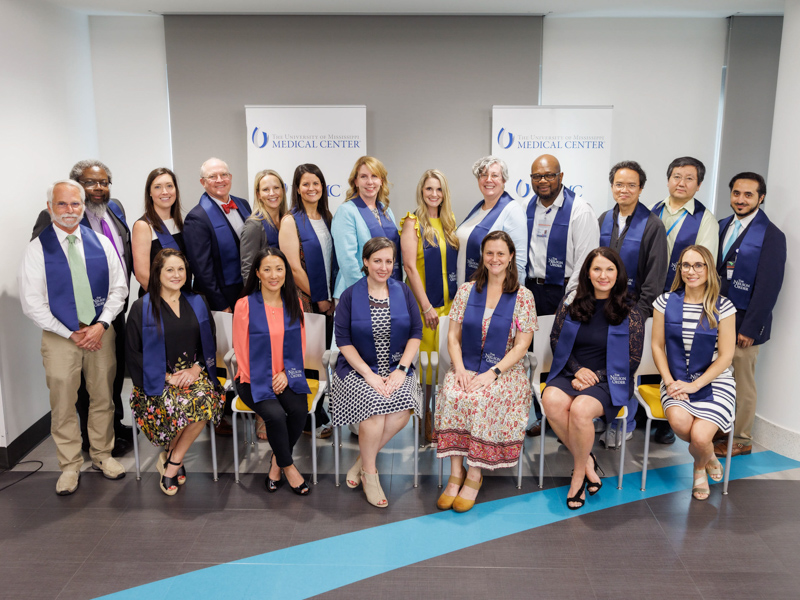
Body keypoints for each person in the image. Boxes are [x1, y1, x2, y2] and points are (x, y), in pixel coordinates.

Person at [19, 180, 128, 495]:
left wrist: (101, 324)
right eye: (62, 204)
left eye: (75, 204)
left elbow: (119, 288)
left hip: (99, 333)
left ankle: (102, 455)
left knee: (103, 398)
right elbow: (31, 302)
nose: (70, 210)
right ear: (50, 207)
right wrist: (71, 332)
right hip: (59, 337)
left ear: (83, 206)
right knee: (64, 402)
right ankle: (69, 466)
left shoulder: (101, 243)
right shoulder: (38, 248)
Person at [435, 231, 537, 513]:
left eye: (501, 253)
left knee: (482, 399)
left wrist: (492, 373)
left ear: (511, 257)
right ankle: (457, 473)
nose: (495, 259)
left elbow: (522, 346)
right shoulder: (467, 291)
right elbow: (453, 338)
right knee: (454, 393)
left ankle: (475, 473)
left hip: (504, 372)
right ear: (483, 256)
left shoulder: (523, 297)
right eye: (489, 253)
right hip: (466, 365)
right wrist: (459, 370)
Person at [540, 248, 644, 509]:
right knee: (550, 400)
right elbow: (556, 339)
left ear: (618, 273)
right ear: (587, 272)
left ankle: (577, 477)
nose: (603, 275)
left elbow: (632, 360)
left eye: (610, 269)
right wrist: (577, 371)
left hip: (611, 379)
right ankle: (587, 461)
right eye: (597, 269)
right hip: (572, 370)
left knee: (581, 409)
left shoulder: (630, 310)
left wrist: (593, 377)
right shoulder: (572, 301)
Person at [332, 237, 423, 508]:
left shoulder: (403, 292)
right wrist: (369, 376)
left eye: (388, 261)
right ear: (365, 262)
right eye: (377, 261)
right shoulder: (350, 296)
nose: (383, 267)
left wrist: (401, 370)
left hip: (397, 368)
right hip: (358, 370)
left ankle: (362, 461)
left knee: (401, 411)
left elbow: (416, 333)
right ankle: (371, 476)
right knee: (373, 410)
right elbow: (343, 341)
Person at [125, 249, 225, 496]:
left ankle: (172, 461)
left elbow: (209, 343)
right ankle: (173, 457)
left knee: (205, 399)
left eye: (181, 269)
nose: (176, 274)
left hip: (193, 374)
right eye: (169, 269)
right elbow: (133, 353)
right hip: (157, 379)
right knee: (181, 403)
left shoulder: (197, 302)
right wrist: (167, 377)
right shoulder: (141, 308)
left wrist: (196, 368)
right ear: (158, 273)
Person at [652, 245, 736, 500]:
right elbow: (657, 346)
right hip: (675, 378)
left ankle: (699, 466)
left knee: (700, 436)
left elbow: (725, 357)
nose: (692, 271)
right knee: (679, 423)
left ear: (709, 269)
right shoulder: (665, 302)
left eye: (699, 265)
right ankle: (708, 455)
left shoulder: (724, 306)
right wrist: (669, 382)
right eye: (686, 265)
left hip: (714, 380)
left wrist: (695, 385)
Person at [713, 172, 786, 458]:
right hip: (717, 319)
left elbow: (769, 286)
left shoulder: (771, 236)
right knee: (719, 378)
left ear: (761, 198)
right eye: (736, 193)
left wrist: (750, 328)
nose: (740, 199)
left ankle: (741, 439)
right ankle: (720, 427)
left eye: (748, 195)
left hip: (745, 324)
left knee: (742, 382)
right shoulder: (721, 226)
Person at [648, 157, 719, 446]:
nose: (681, 182)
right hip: (648, 292)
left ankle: (668, 421)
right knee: (647, 349)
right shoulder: (653, 211)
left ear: (699, 184)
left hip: (681, 296)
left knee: (675, 348)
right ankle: (647, 411)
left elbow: (703, 263)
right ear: (668, 179)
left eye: (689, 178)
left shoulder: (706, 219)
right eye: (677, 176)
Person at [598, 160, 667, 447]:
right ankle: (603, 414)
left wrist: (637, 315)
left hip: (632, 310)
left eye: (631, 185)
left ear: (640, 188)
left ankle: (624, 421)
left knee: (623, 367)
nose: (624, 189)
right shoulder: (604, 217)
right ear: (611, 186)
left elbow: (655, 276)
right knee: (601, 362)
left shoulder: (652, 225)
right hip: (600, 308)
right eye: (619, 184)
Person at [233, 248, 312, 496]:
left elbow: (300, 345)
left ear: (286, 272)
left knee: (299, 410)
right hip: (252, 378)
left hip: (287, 374)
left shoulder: (294, 303)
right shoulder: (244, 305)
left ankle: (275, 463)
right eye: (267, 269)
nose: (273, 275)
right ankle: (288, 467)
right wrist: (268, 377)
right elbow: (241, 351)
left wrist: (287, 374)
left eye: (279, 269)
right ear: (257, 273)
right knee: (276, 416)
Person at [399, 169, 459, 442]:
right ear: (421, 192)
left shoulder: (448, 223)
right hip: (426, 307)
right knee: (426, 369)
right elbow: (410, 267)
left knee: (446, 366)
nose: (434, 194)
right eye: (428, 189)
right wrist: (425, 306)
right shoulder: (413, 222)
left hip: (449, 306)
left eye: (438, 189)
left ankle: (445, 419)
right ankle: (424, 421)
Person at [279, 163, 336, 439]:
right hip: (306, 300)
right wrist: (319, 298)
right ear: (297, 189)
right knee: (305, 359)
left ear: (322, 187)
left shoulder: (327, 216)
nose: (311, 188)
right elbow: (292, 266)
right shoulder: (291, 220)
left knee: (320, 357)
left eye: (316, 183)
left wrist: (332, 296)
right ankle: (306, 418)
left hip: (327, 299)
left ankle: (317, 411)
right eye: (306, 184)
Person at [525, 154, 599, 316]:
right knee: (528, 341)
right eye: (537, 176)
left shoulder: (580, 210)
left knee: (557, 341)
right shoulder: (526, 207)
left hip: (563, 292)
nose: (543, 181)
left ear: (561, 176)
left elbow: (586, 259)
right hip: (529, 290)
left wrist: (572, 296)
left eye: (549, 175)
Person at [184, 157, 253, 313]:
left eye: (224, 175)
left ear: (230, 177)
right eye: (212, 176)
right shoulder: (196, 218)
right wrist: (220, 304)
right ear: (203, 182)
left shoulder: (243, 204)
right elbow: (202, 269)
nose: (220, 180)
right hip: (224, 297)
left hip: (249, 290)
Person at [332, 156, 402, 299]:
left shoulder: (386, 211)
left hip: (385, 290)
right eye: (364, 176)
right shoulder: (346, 211)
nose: (370, 182)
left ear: (381, 181)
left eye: (374, 176)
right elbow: (348, 260)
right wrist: (364, 293)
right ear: (356, 181)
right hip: (355, 292)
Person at [456, 156, 526, 286]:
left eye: (495, 175)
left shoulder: (512, 210)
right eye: (483, 175)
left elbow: (519, 263)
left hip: (493, 294)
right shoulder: (478, 208)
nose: (488, 180)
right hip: (464, 290)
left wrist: (507, 297)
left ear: (504, 180)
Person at [132, 167, 192, 296]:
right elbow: (142, 275)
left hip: (182, 297)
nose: (165, 192)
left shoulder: (180, 223)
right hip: (158, 300)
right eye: (158, 187)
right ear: (149, 192)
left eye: (169, 186)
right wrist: (167, 301)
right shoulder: (143, 226)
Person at [240, 169, 287, 282]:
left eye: (276, 188)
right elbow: (248, 270)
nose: (272, 193)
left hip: (289, 290)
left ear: (283, 190)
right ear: (259, 194)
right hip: (266, 293)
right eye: (265, 189)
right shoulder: (254, 225)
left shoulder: (288, 220)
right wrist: (259, 299)